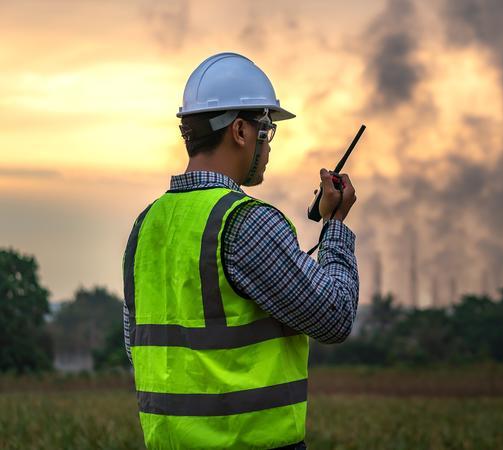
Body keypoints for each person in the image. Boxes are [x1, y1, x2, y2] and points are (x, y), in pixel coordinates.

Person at [122, 52, 359, 450]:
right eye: (267, 129)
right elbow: (335, 317)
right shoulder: (244, 222)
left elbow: (137, 348)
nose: (268, 145)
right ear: (240, 131)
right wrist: (334, 226)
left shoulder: (146, 226)